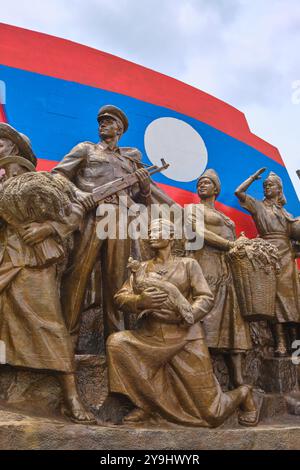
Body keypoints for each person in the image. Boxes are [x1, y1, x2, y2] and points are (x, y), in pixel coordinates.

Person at [106, 219, 259, 427]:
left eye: (157, 230)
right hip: (151, 337)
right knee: (117, 343)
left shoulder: (188, 265)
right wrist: (139, 301)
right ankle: (146, 405)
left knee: (212, 414)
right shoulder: (141, 268)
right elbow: (120, 297)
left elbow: (205, 297)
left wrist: (189, 315)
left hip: (186, 337)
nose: (151, 234)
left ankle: (243, 394)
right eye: (149, 231)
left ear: (170, 237)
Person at [0, 123, 95, 424]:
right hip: (5, 257)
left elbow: (76, 209)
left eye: (1, 142)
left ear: (14, 149)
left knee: (47, 323)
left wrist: (47, 228)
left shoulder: (41, 180)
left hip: (34, 261)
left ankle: (71, 397)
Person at [52, 105, 152, 339]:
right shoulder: (85, 149)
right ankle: (67, 337)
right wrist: (79, 195)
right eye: (101, 121)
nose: (102, 124)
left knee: (117, 280)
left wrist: (145, 188)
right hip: (92, 215)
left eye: (108, 121)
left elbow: (140, 199)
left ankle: (115, 340)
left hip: (120, 218)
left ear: (119, 128)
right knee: (78, 273)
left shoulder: (128, 161)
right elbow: (58, 175)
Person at [188, 169, 252, 388]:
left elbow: (232, 239)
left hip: (227, 268)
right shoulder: (192, 209)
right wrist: (229, 245)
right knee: (206, 315)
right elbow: (198, 232)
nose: (202, 185)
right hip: (205, 265)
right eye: (199, 183)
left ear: (216, 189)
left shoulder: (226, 217)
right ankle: (205, 374)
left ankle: (237, 378)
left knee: (232, 320)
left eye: (207, 183)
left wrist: (240, 244)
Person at [235, 168, 300, 356]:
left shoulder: (287, 214)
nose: (266, 188)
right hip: (268, 254)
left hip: (287, 256)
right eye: (264, 186)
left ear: (279, 190)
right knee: (273, 299)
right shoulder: (258, 206)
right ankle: (280, 343)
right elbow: (239, 193)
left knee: (291, 301)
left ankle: (295, 346)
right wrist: (252, 178)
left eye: (270, 185)